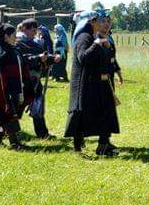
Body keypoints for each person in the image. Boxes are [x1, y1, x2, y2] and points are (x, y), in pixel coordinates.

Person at [65, 9, 121, 156]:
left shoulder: (93, 37)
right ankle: (78, 149)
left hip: (95, 82)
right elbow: (83, 58)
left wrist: (107, 50)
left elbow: (103, 59)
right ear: (90, 22)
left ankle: (103, 145)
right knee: (80, 114)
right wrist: (97, 44)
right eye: (98, 20)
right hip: (84, 83)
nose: (102, 23)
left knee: (103, 113)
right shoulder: (83, 37)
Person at [0, 24, 32, 150]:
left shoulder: (7, 50)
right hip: (1, 90)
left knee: (2, 116)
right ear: (6, 36)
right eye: (14, 35)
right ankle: (14, 143)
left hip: (8, 88)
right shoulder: (1, 52)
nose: (15, 38)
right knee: (8, 115)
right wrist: (7, 93)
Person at [17, 18, 61, 139]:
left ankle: (42, 134)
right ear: (24, 29)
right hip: (22, 81)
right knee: (18, 107)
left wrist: (53, 58)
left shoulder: (36, 43)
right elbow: (23, 59)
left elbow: (44, 56)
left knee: (38, 106)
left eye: (35, 29)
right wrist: (37, 58)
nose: (35, 32)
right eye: (32, 29)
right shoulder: (18, 43)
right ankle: (10, 132)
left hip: (35, 80)